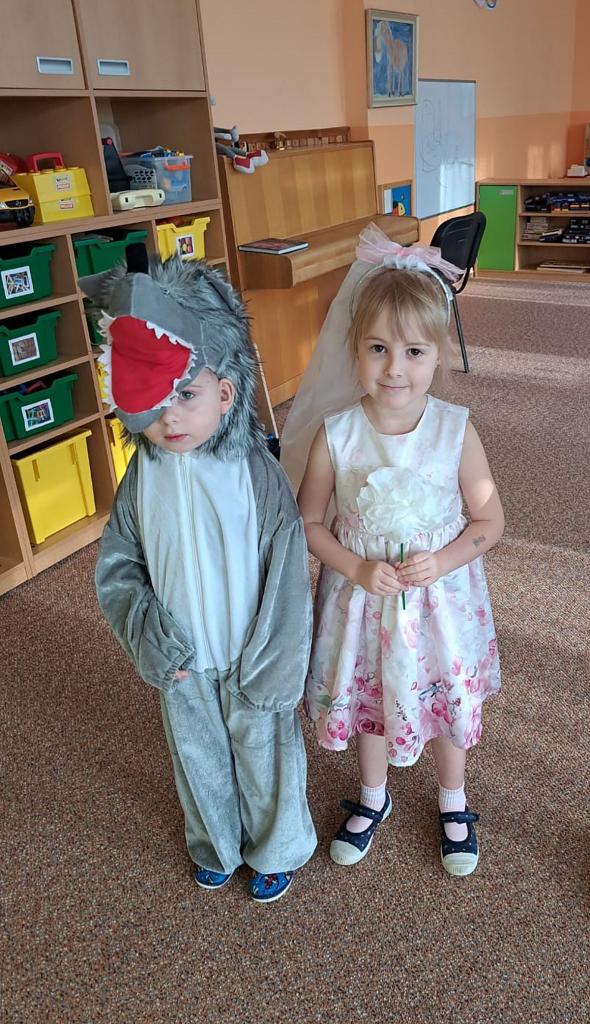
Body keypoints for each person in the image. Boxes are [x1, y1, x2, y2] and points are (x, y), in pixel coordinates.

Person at [84, 246, 316, 903]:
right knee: (198, 757)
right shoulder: (142, 477)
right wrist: (150, 638)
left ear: (226, 392)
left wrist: (275, 659)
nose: (171, 416)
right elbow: (118, 564)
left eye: (187, 394)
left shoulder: (254, 473)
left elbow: (287, 564)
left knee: (266, 757)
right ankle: (214, 842)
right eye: (155, 401)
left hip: (250, 654)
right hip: (182, 655)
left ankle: (277, 847)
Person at [294, 222, 504, 876]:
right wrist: (356, 566)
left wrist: (443, 561)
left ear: (438, 354)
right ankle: (373, 794)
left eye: (414, 351)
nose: (394, 368)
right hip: (362, 601)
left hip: (439, 604)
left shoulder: (455, 430)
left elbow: (489, 520)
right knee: (371, 699)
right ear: (354, 350)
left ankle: (453, 799)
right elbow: (309, 523)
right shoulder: (336, 434)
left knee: (443, 696)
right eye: (378, 348)